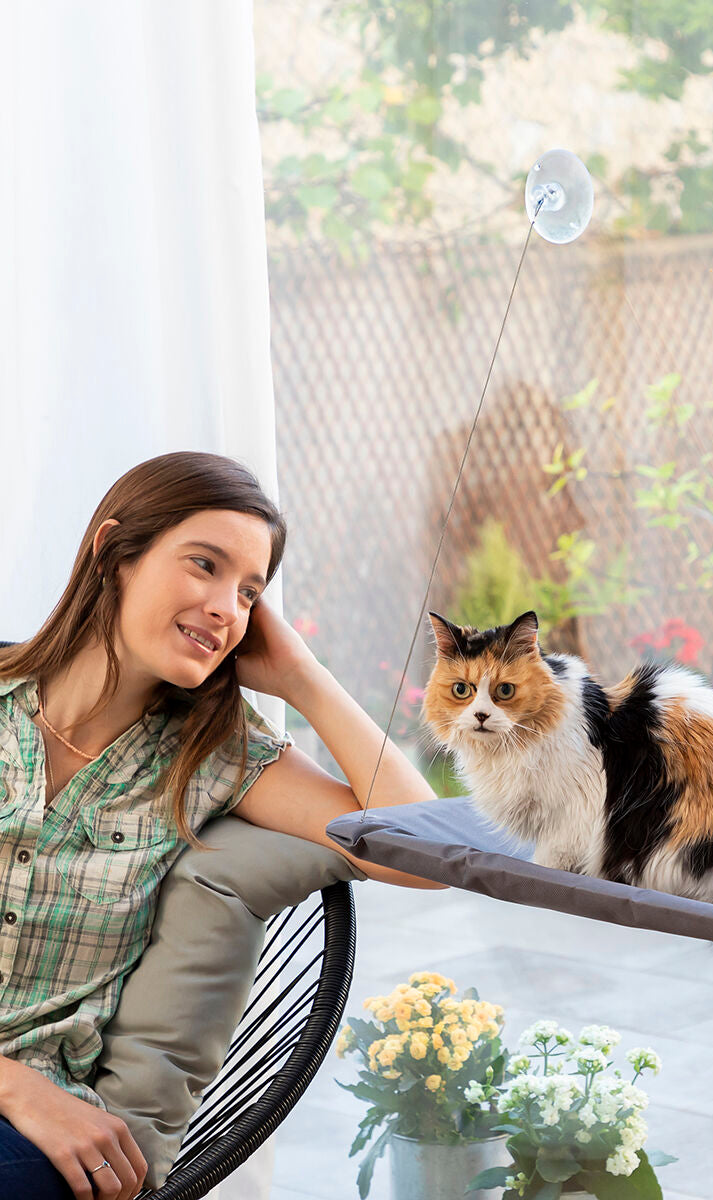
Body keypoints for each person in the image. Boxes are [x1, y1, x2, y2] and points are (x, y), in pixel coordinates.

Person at [0, 451, 441, 1200]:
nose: (225, 608)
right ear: (112, 554)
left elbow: (427, 852)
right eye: (203, 565)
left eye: (249, 593)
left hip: (34, 1142)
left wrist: (303, 675)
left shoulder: (214, 759)